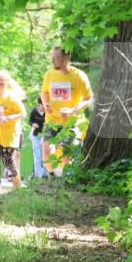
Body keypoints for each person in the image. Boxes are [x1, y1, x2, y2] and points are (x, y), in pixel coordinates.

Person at [40, 46, 93, 177]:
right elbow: (44, 92)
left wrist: (73, 110)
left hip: (72, 123)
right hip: (52, 121)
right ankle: (53, 175)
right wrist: (46, 103)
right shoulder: (49, 74)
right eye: (52, 58)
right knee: (47, 151)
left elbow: (89, 98)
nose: (53, 61)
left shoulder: (79, 76)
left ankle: (64, 178)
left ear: (66, 58)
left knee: (67, 154)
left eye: (56, 58)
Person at [29, 101, 47, 179]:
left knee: (45, 156)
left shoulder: (48, 111)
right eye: (42, 104)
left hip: (46, 136)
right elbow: (30, 121)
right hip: (36, 136)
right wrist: (33, 124)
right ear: (39, 104)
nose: (44, 106)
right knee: (37, 156)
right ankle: (37, 176)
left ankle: (45, 174)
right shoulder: (34, 111)